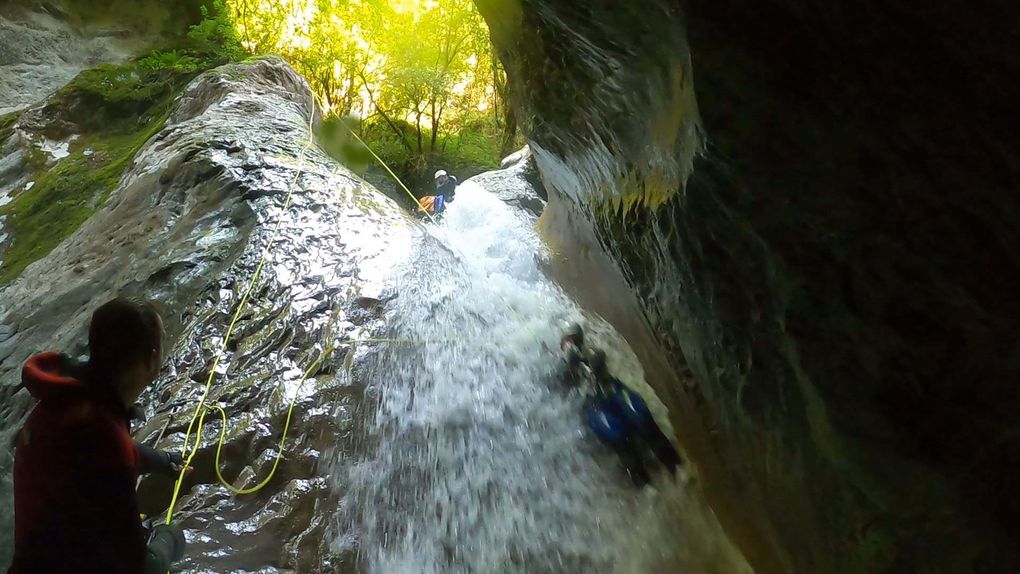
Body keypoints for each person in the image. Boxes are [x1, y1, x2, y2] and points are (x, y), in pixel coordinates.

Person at [9, 298, 188, 574]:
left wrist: (165, 461)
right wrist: (169, 539)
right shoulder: (102, 439)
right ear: (151, 359)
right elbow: (141, 566)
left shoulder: (72, 398)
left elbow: (98, 451)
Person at [585, 348, 683, 484]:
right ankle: (672, 469)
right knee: (631, 436)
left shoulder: (604, 392)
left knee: (631, 438)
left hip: (621, 425)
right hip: (620, 424)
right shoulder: (606, 392)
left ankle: (651, 480)